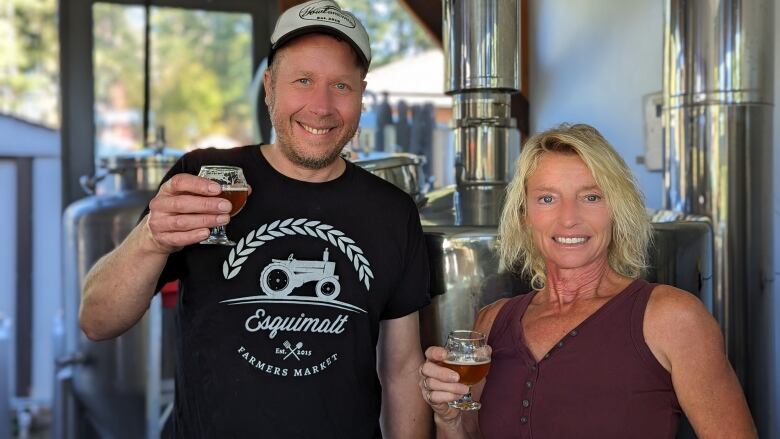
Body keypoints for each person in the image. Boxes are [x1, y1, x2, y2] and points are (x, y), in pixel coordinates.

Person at [79, 1, 431, 437]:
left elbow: (401, 369)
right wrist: (151, 239)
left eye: (340, 85)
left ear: (362, 93)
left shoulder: (392, 211)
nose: (321, 106)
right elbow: (97, 322)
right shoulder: (204, 178)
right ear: (269, 86)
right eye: (302, 80)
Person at [418, 123, 756, 438]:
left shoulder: (672, 317)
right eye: (547, 199)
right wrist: (447, 418)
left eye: (591, 197)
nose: (568, 219)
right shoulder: (493, 321)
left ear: (617, 209)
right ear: (524, 215)